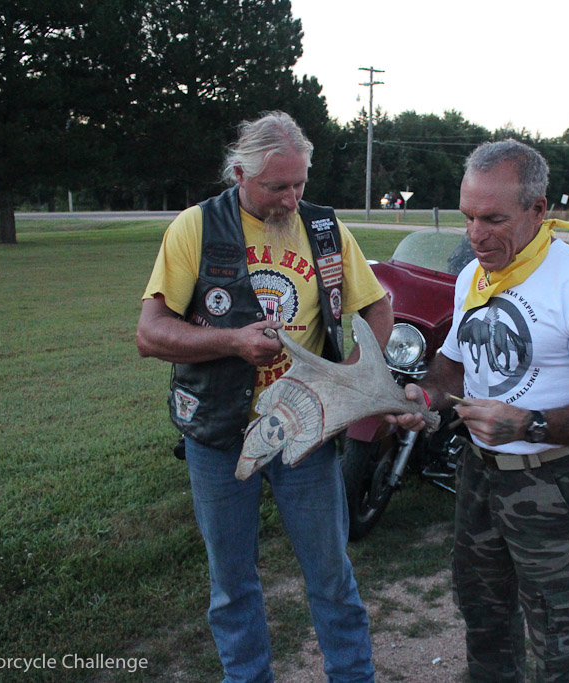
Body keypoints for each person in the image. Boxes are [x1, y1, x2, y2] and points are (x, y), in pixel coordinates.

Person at [136, 111, 392, 683]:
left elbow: (376, 305)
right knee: (232, 582)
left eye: (300, 183)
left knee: (330, 574)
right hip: (220, 434)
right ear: (239, 174)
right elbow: (150, 333)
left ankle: (353, 677)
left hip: (306, 430)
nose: (291, 199)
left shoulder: (324, 229)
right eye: (278, 186)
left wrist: (349, 375)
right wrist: (231, 341)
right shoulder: (196, 228)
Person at [388, 139, 569, 682]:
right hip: (478, 474)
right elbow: (453, 365)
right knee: (482, 615)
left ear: (539, 210)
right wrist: (424, 397)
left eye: (494, 219)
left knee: (557, 632)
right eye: (469, 217)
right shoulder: (472, 278)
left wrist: (528, 423)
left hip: (553, 481)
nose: (476, 235)